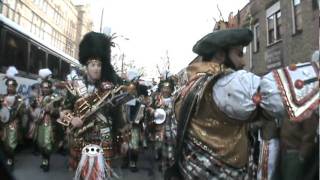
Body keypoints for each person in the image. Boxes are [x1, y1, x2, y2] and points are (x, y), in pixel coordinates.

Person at [58, 31, 127, 179]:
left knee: (102, 176)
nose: (96, 68)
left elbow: (118, 116)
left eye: (99, 65)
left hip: (105, 137)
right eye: (93, 65)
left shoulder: (110, 89)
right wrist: (71, 119)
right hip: (82, 138)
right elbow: (63, 111)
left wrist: (123, 140)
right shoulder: (75, 87)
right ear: (86, 66)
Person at [31, 68, 61, 172]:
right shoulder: (38, 97)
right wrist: (33, 110)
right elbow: (33, 108)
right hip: (39, 123)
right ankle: (44, 160)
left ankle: (46, 161)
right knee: (40, 143)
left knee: (47, 144)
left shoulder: (55, 97)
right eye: (43, 88)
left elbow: (59, 111)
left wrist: (51, 110)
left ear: (50, 88)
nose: (45, 89)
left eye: (47, 88)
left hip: (49, 124)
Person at [0, 66, 25, 170]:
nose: (10, 88)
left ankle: (10, 159)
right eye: (8, 86)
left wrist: (9, 107)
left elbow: (21, 112)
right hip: (2, 124)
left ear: (15, 87)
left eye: (12, 86)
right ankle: (5, 158)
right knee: (2, 142)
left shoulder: (19, 99)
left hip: (12, 123)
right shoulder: (2, 97)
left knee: (10, 144)